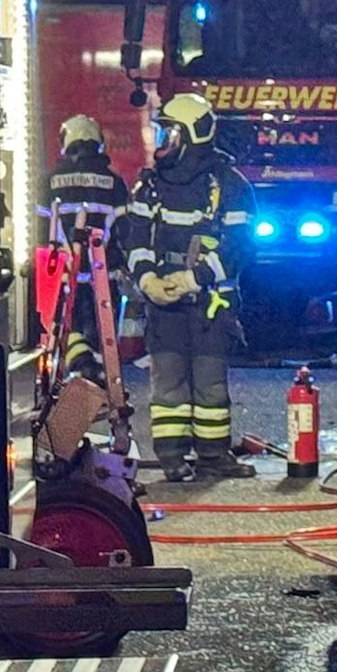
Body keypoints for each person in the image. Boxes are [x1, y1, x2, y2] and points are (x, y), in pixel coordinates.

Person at [116, 92, 257, 483]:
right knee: (169, 381)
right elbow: (134, 238)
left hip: (210, 303)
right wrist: (148, 280)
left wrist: (194, 278)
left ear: (191, 134)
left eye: (169, 133)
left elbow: (241, 246)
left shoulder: (229, 185)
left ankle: (213, 455)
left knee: (210, 382)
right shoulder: (150, 185)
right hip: (164, 303)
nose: (162, 142)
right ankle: (172, 457)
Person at [38, 115, 128, 362]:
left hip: (65, 275)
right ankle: (96, 379)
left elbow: (41, 229)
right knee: (103, 339)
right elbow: (124, 230)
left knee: (69, 330)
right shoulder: (115, 182)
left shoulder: (48, 182)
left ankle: (80, 372)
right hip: (103, 278)